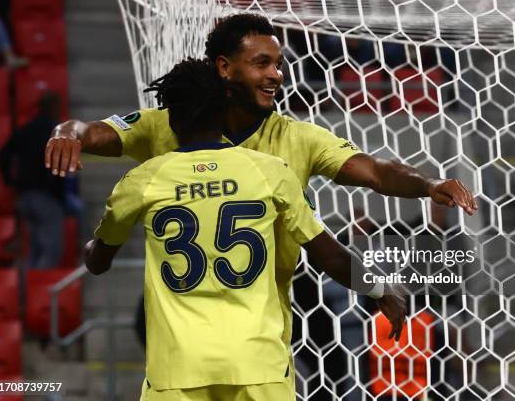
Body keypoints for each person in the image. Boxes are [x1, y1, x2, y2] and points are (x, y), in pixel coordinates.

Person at [46, 12, 476, 392]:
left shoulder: (294, 136)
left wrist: (428, 183)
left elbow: (377, 171)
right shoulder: (168, 126)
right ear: (224, 68)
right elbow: (93, 131)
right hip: (230, 336)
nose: (277, 75)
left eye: (280, 64)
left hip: (259, 314)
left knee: (328, 349)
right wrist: (68, 132)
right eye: (262, 63)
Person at [85, 59, 406, 400]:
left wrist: (92, 248)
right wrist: (380, 289)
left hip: (178, 367)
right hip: (258, 364)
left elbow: (98, 262)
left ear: (171, 117)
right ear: (225, 108)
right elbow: (330, 256)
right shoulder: (270, 171)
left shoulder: (142, 180)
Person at [0, 92, 64, 269]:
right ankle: (41, 291)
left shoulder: (25, 130)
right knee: (50, 250)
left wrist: (10, 181)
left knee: (33, 249)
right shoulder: (53, 131)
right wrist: (59, 194)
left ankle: (29, 290)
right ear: (52, 108)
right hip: (45, 196)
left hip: (24, 197)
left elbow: (3, 155)